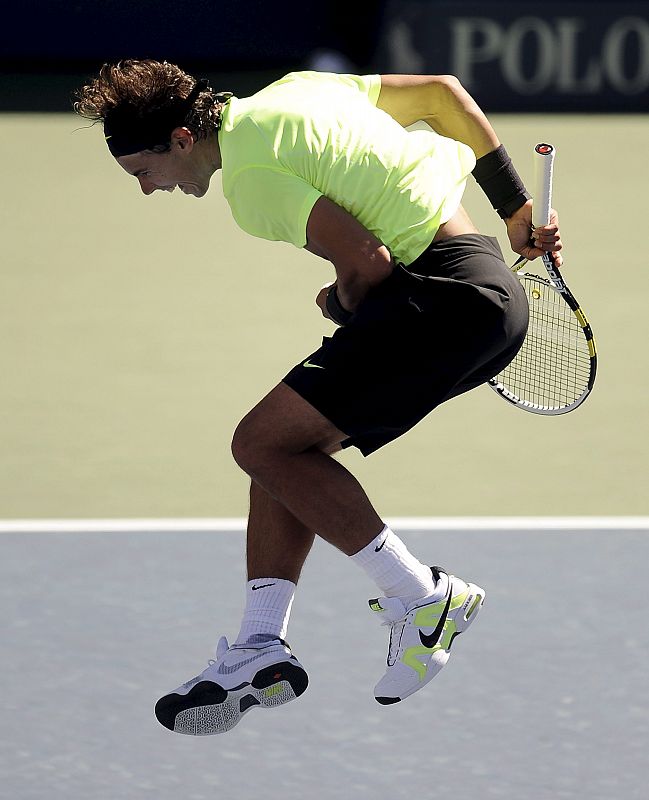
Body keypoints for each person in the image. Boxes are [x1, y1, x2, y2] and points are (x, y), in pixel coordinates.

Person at [74, 61, 562, 736]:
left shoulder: (250, 183)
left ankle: (422, 596)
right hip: (480, 285)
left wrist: (341, 302)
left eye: (144, 171)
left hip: (446, 300)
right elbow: (439, 94)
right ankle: (259, 642)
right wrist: (514, 206)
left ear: (182, 139)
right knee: (279, 452)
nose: (148, 189)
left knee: (259, 444)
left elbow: (368, 264)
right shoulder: (300, 89)